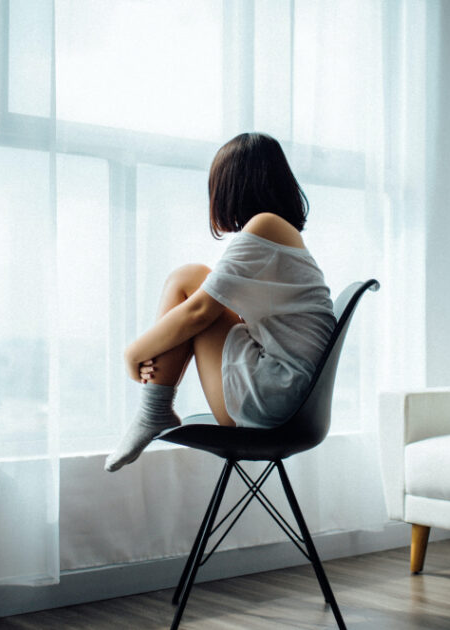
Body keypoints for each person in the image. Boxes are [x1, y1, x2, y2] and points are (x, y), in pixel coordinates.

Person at [105, 132, 336, 472]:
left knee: (188, 281)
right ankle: (154, 410)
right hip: (288, 397)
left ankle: (153, 410)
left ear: (231, 186)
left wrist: (133, 352)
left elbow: (200, 312)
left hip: (274, 400)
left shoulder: (266, 226)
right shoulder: (281, 233)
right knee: (193, 279)